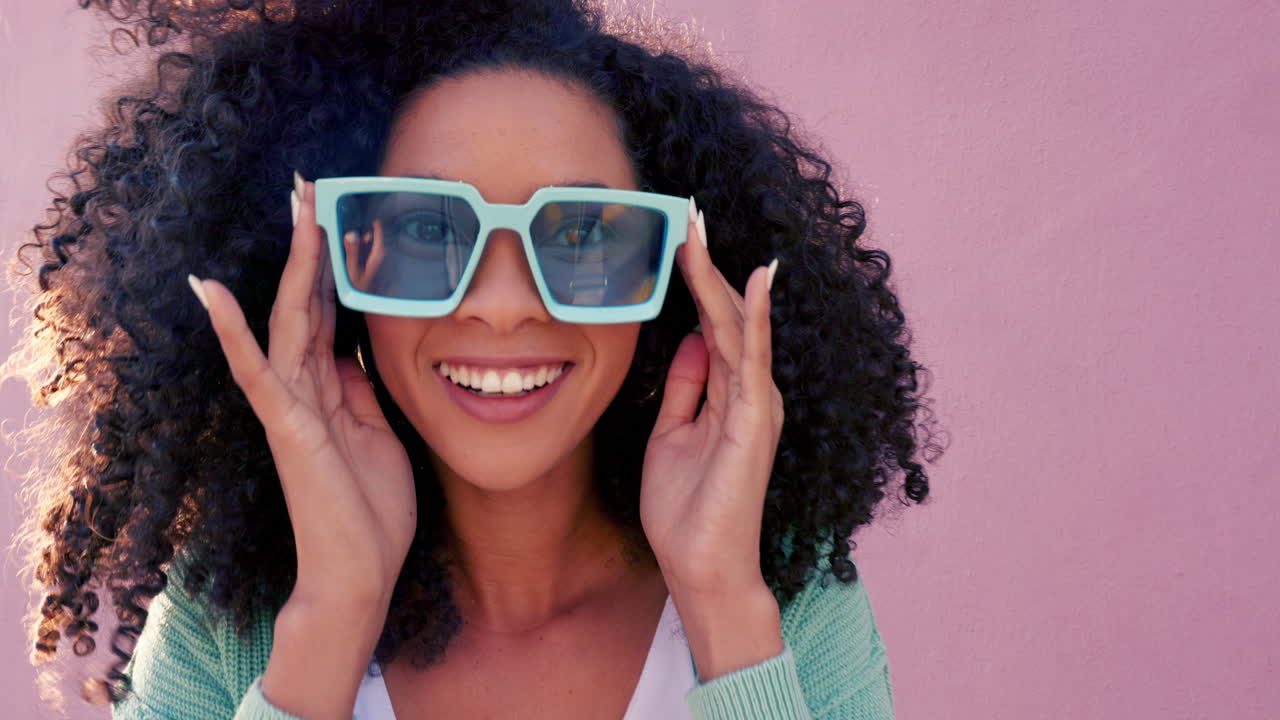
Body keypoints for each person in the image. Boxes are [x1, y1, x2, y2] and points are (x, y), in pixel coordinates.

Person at [9, 1, 945, 718]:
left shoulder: (789, 607)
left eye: (582, 232)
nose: (501, 305)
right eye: (424, 229)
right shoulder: (232, 626)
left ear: (672, 274)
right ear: (329, 272)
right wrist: (332, 613)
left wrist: (725, 613)